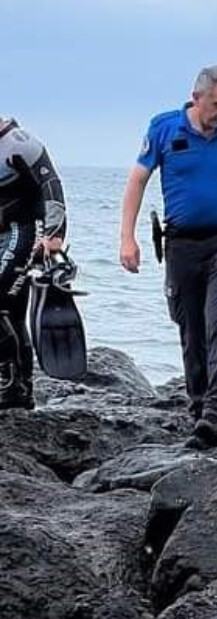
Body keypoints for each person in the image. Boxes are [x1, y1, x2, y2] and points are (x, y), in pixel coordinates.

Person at [119, 65, 217, 449]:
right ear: (197, 97)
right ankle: (199, 406)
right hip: (181, 245)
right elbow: (137, 180)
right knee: (191, 329)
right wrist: (128, 237)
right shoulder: (165, 129)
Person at [0, 118, 67, 410]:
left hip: (26, 233)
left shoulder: (18, 142)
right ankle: (21, 390)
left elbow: (51, 184)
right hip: (4, 236)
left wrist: (55, 235)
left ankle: (11, 382)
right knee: (12, 312)